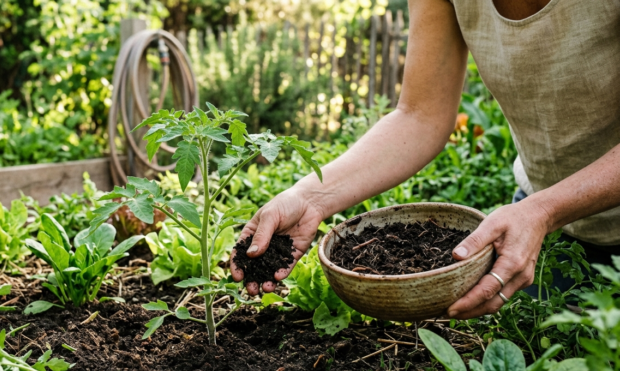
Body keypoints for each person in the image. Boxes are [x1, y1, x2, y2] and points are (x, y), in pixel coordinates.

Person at [230, 0, 620, 320]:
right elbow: (421, 115)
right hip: (544, 232)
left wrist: (545, 210)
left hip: (550, 216)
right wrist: (311, 198)